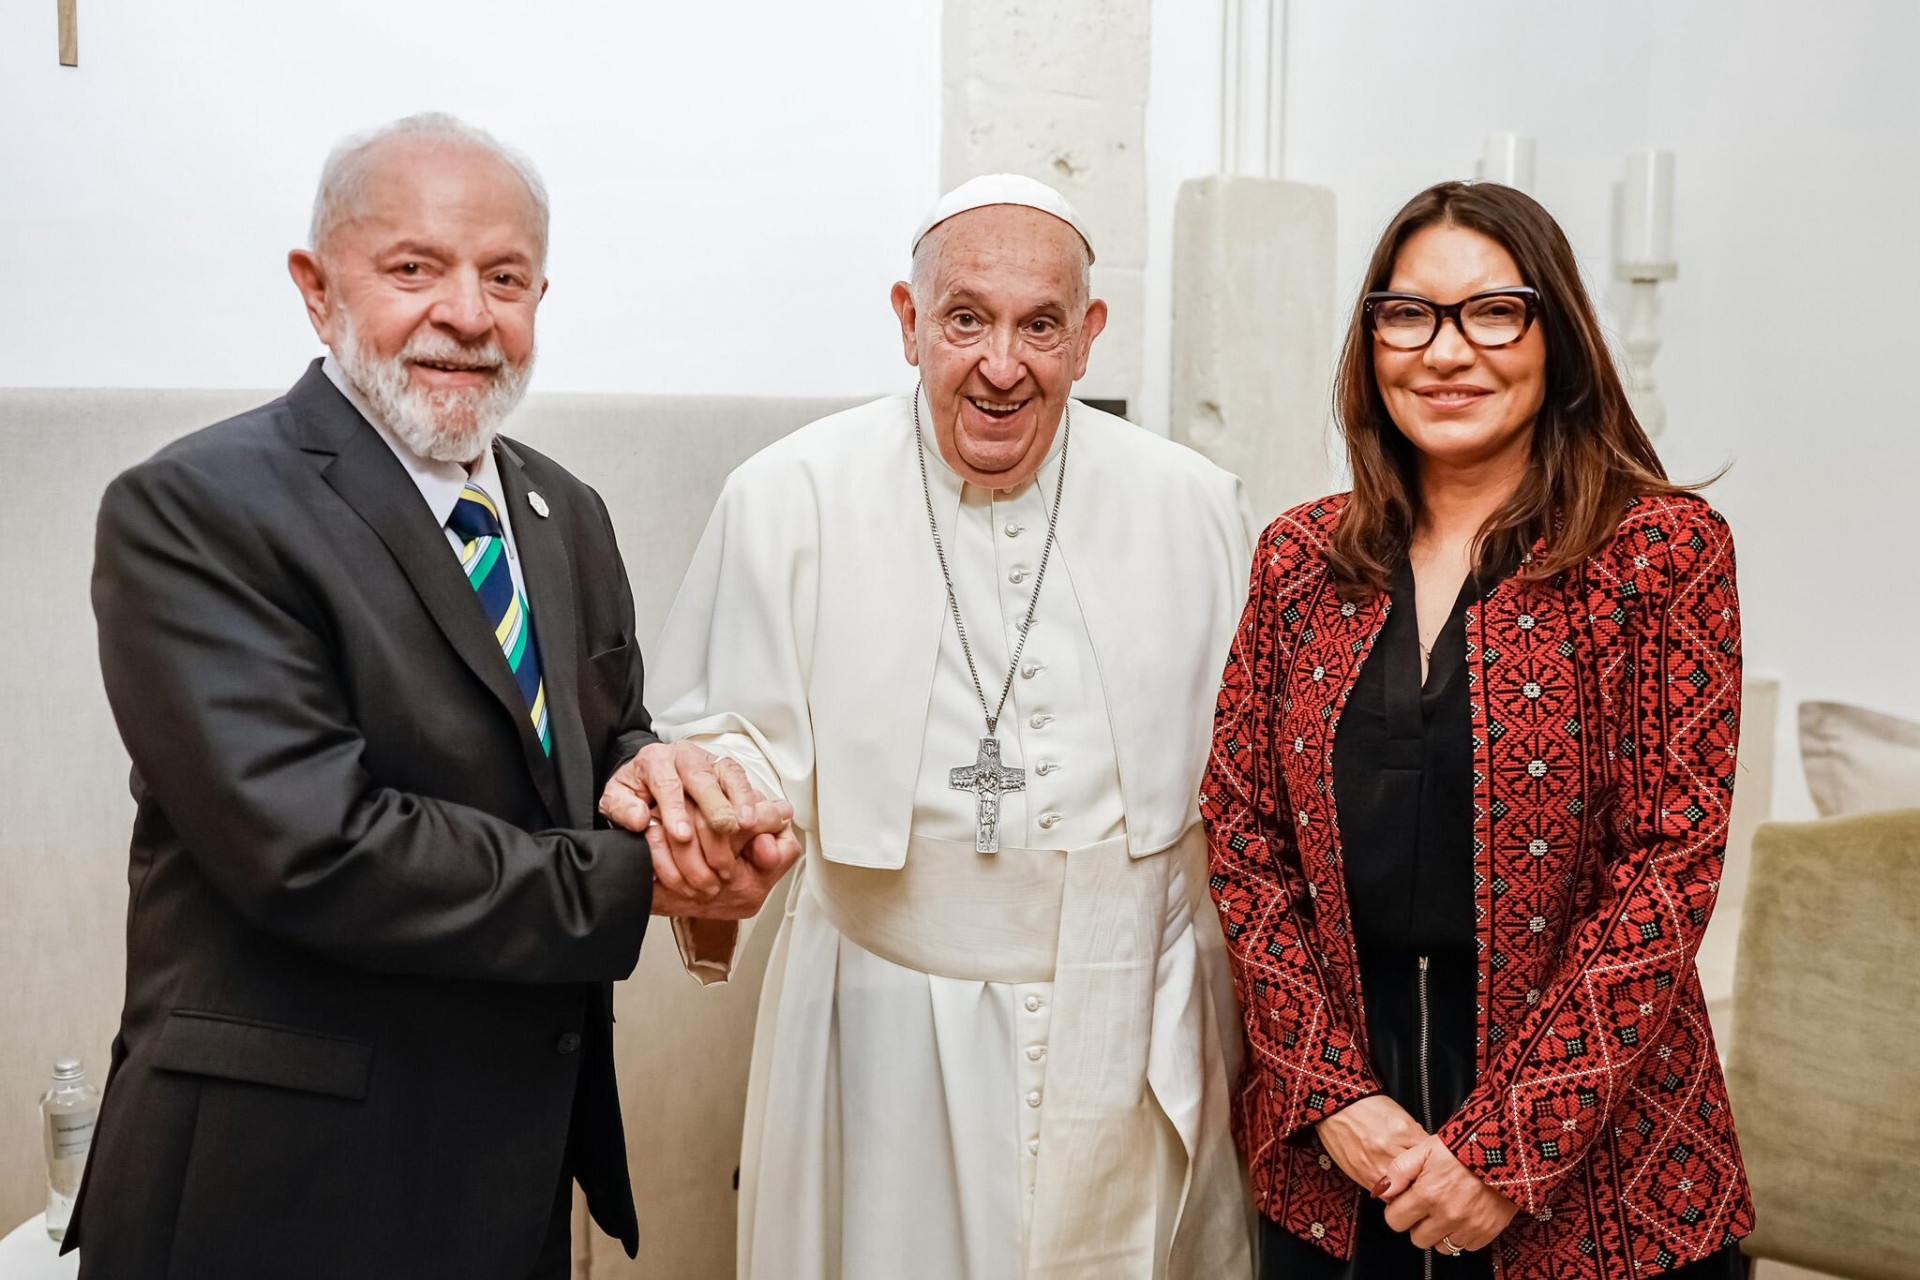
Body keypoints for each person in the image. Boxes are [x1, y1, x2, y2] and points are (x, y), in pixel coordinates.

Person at [70, 113, 797, 1280]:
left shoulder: (567, 513)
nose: (468, 313)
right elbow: (317, 847)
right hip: (280, 1186)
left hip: (508, 1170)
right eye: (415, 269)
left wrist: (679, 794)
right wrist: (638, 872)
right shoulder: (196, 509)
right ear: (317, 289)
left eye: (504, 277)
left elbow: (598, 745)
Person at [632, 174, 1254, 1279]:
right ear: (910, 323)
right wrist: (722, 800)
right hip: (881, 1026)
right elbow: (724, 732)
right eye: (966, 318)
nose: (1002, 364)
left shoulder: (1194, 502)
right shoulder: (791, 495)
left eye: (1041, 325)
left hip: (1126, 1027)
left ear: (1089, 335)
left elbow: (1254, 781)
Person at [1201, 180, 1753, 1280]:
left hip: (1605, 1177)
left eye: (1492, 310)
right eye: (1409, 315)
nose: (1447, 351)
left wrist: (1508, 1150)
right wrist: (1332, 1095)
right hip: (1336, 1171)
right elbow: (1241, 833)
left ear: (1557, 333)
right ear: (1373, 342)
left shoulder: (1661, 552)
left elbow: (1669, 867)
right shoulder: (1297, 561)